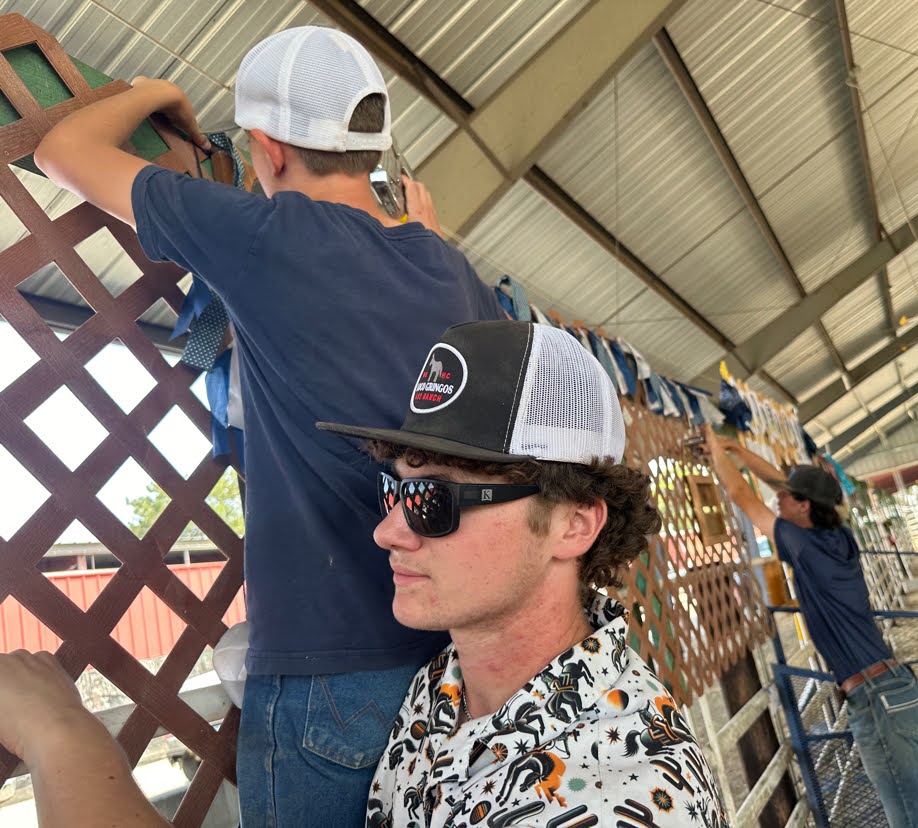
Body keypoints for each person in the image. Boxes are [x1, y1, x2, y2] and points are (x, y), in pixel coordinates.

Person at [33, 26, 503, 826]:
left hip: (328, 671)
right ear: (372, 148)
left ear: (268, 150)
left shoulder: (267, 237)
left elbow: (61, 150)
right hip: (451, 663)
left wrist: (158, 93)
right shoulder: (449, 270)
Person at [0, 320, 729, 828]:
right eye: (394, 489)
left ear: (574, 523)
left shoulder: (619, 796)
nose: (388, 530)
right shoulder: (445, 686)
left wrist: (59, 733)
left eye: (435, 499)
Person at [705, 430, 918, 828]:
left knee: (912, 819)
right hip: (894, 690)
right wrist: (737, 449)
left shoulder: (805, 546)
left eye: (786, 497)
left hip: (877, 699)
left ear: (804, 506)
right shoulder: (837, 537)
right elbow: (782, 484)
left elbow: (741, 496)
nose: (777, 499)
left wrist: (714, 444)